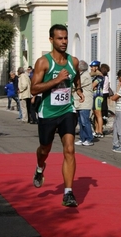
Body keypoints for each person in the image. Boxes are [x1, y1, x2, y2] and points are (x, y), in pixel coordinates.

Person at [30, 24, 84, 207]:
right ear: (51, 40)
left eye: (66, 38)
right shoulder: (43, 62)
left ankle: (68, 192)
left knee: (69, 149)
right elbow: (33, 89)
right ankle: (39, 167)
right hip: (48, 113)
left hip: (67, 110)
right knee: (44, 149)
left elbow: (76, 76)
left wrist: (78, 89)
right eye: (60, 38)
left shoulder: (73, 61)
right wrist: (57, 80)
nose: (64, 42)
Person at [74, 60, 94, 146]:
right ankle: (83, 138)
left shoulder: (85, 76)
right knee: (80, 122)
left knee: (85, 121)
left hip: (85, 102)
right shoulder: (80, 75)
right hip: (79, 102)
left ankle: (89, 138)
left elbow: (76, 84)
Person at [90, 60, 104, 138]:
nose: (91, 68)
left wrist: (92, 86)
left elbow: (92, 86)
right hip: (94, 96)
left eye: (92, 67)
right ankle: (96, 130)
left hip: (98, 96)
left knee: (98, 114)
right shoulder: (95, 76)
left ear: (96, 67)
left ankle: (100, 131)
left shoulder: (100, 76)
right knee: (95, 114)